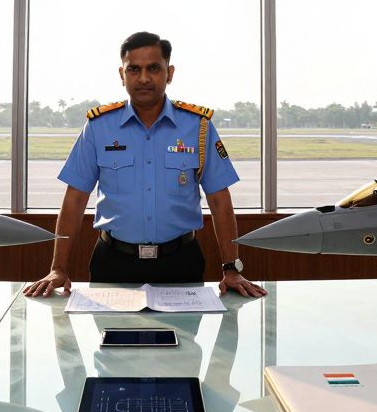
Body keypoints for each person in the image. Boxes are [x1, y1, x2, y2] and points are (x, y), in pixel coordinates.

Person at [24, 31, 266, 298]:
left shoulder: (198, 126)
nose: (143, 78)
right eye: (134, 69)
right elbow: (74, 199)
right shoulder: (98, 127)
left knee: (182, 341)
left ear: (169, 72)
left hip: (180, 264)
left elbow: (219, 199)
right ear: (122, 74)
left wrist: (231, 268)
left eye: (153, 68)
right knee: (114, 338)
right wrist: (58, 268)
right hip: (114, 264)